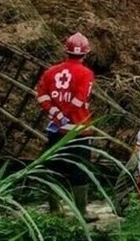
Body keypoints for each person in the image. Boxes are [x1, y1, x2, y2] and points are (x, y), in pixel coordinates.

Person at [35, 32, 97, 221]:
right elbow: (80, 100)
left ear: (67, 51)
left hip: (56, 129)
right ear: (85, 54)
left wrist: (56, 114)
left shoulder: (50, 72)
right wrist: (67, 115)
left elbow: (41, 95)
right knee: (79, 170)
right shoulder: (86, 73)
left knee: (54, 167)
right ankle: (82, 211)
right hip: (78, 131)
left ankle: (55, 210)